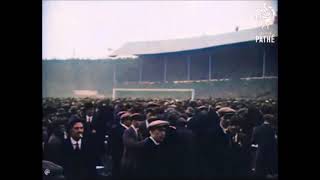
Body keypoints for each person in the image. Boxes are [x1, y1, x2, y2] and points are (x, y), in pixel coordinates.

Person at [121, 113, 146, 179]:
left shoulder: (138, 131)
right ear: (134, 121)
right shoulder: (128, 131)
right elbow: (131, 144)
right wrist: (146, 141)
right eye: (139, 121)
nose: (140, 123)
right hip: (130, 160)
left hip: (136, 161)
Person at [109, 112, 132, 180]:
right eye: (129, 120)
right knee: (118, 170)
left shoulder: (128, 129)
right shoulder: (117, 129)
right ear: (125, 121)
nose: (131, 122)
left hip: (125, 154)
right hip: (118, 153)